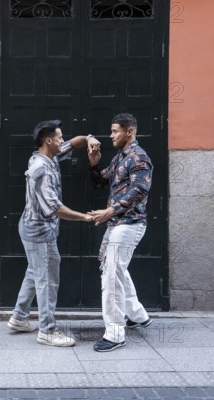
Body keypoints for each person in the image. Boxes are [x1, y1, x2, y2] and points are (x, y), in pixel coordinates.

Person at [8, 120, 100, 347]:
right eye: (59, 137)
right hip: (39, 230)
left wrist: (89, 139)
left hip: (33, 227)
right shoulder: (42, 170)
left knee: (35, 271)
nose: (63, 140)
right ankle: (47, 331)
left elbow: (75, 143)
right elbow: (55, 208)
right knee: (47, 279)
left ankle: (19, 317)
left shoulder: (49, 155)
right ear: (48, 141)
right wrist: (85, 217)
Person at [87, 113, 153, 352]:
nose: (111, 135)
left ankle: (115, 334)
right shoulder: (120, 158)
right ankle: (137, 314)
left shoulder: (139, 158)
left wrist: (109, 211)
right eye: (112, 130)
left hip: (129, 224)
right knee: (115, 269)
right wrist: (94, 162)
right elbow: (99, 182)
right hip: (117, 223)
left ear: (130, 131)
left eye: (115, 131)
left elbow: (138, 191)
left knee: (111, 277)